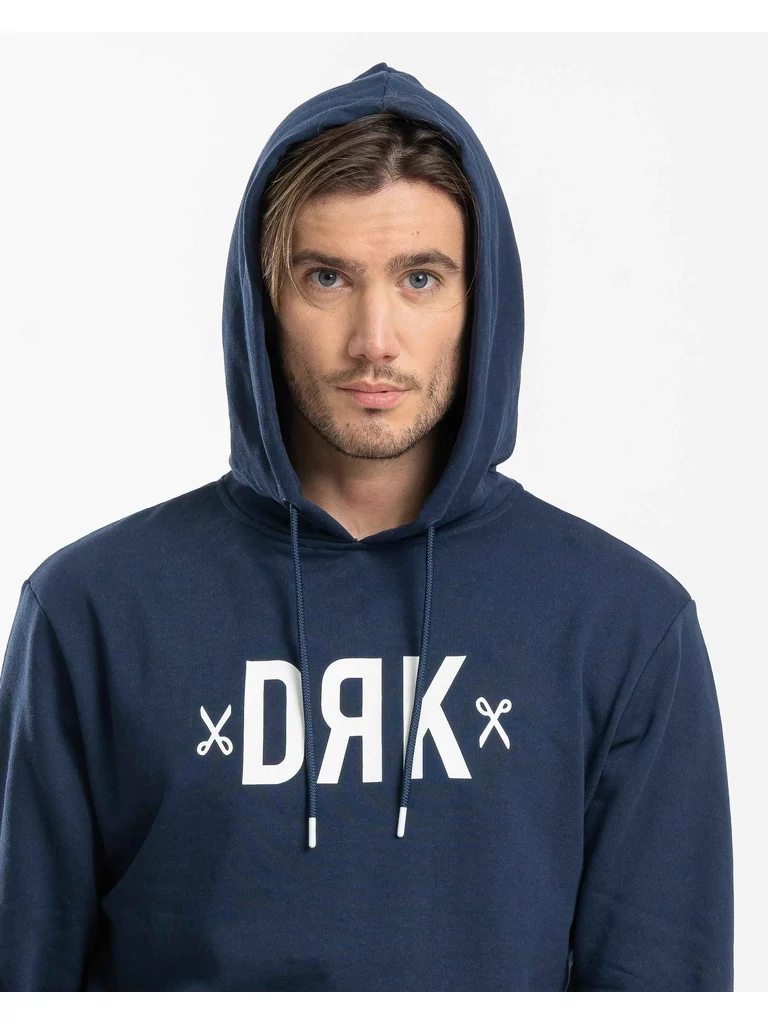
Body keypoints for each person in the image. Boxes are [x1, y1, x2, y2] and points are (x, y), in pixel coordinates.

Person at [0, 62, 734, 992]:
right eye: (327, 278)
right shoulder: (91, 614)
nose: (374, 339)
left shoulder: (625, 627)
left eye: (420, 278)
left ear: (480, 301)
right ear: (265, 299)